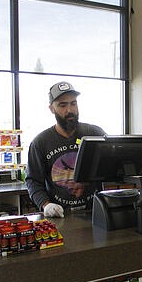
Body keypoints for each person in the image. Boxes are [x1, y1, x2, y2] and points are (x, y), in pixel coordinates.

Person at [25, 81, 106, 218]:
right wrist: (46, 204)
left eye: (73, 103)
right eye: (63, 105)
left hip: (95, 212)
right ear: (52, 109)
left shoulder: (95, 133)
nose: (69, 110)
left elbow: (111, 164)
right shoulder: (40, 142)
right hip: (60, 216)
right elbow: (33, 181)